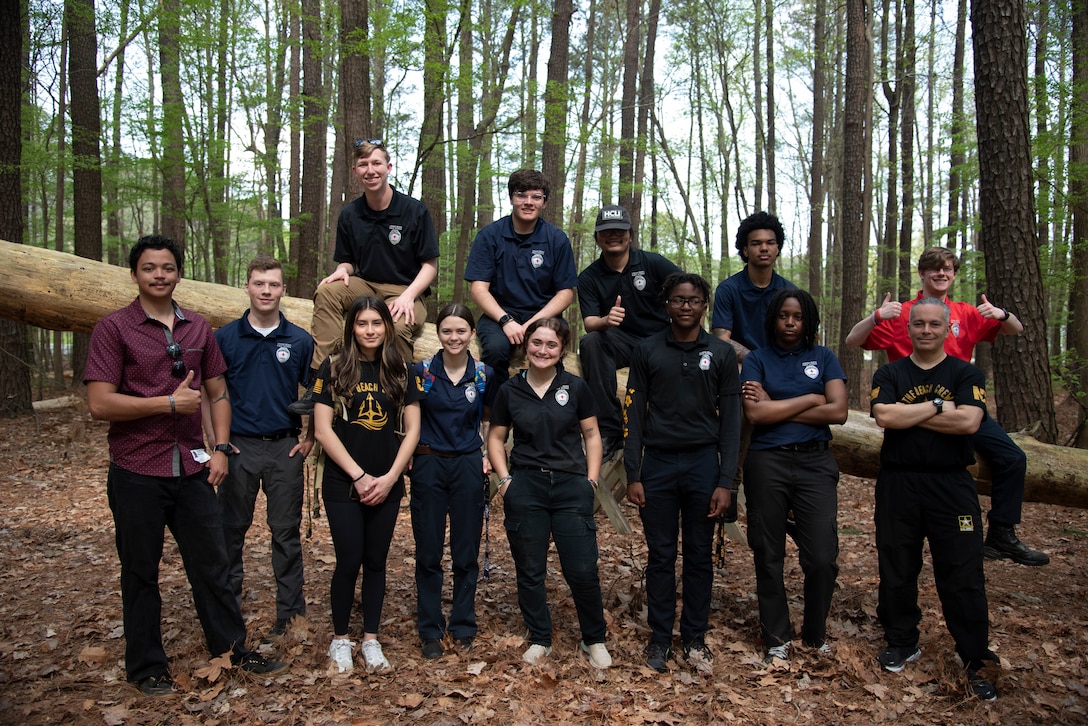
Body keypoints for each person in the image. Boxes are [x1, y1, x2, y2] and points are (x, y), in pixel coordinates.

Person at [85, 235, 287, 697]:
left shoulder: (198, 328)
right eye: (150, 268)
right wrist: (166, 404)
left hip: (193, 469)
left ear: (179, 273)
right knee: (141, 571)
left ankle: (232, 649)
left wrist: (219, 449)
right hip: (137, 468)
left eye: (168, 268)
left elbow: (217, 393)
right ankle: (146, 666)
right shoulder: (113, 329)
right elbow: (99, 403)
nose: (160, 275)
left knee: (212, 564)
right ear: (134, 274)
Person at [845, 246, 1047, 566]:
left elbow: (1016, 330)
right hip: (910, 405)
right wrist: (876, 316)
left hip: (961, 404)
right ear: (922, 274)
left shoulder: (966, 313)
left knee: (1012, 458)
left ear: (953, 275)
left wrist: (1003, 315)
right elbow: (852, 341)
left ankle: (1001, 534)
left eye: (948, 269)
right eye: (935, 269)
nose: (942, 274)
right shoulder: (903, 314)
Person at [870, 297, 1000, 702]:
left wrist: (913, 412)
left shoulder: (967, 372)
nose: (926, 330)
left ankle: (975, 656)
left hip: (952, 486)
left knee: (962, 572)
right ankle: (901, 639)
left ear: (948, 329)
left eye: (934, 325)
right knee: (897, 565)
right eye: (919, 324)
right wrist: (942, 405)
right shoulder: (890, 371)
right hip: (899, 483)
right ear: (908, 330)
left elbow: (969, 422)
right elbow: (885, 417)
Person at [624, 272, 741, 674]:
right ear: (666, 305)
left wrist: (726, 481)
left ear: (704, 304)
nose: (686, 306)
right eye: (678, 300)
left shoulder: (721, 354)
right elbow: (634, 412)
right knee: (660, 556)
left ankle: (694, 638)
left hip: (703, 465)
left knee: (698, 555)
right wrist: (632, 472)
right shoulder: (648, 349)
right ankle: (660, 639)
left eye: (693, 300)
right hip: (656, 465)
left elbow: (731, 423)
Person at [487, 317, 611, 669]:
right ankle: (540, 638)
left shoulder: (575, 388)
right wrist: (506, 480)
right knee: (530, 568)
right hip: (526, 485)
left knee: (583, 568)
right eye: (537, 343)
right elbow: (496, 438)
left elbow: (592, 435)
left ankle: (594, 638)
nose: (543, 350)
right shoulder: (510, 390)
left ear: (562, 350)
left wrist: (591, 480)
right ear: (526, 345)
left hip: (572, 486)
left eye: (551, 345)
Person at [312, 296, 424, 674]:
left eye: (377, 323)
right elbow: (322, 430)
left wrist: (390, 477)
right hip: (344, 482)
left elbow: (413, 430)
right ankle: (341, 639)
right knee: (349, 559)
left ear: (387, 328)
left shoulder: (401, 370)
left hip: (387, 481)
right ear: (351, 328)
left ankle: (371, 640)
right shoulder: (334, 367)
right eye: (362, 323)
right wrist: (358, 477)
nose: (370, 330)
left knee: (376, 562)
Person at [291, 139, 439, 414]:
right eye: (363, 165)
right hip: (365, 285)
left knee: (397, 323)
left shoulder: (413, 210)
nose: (370, 170)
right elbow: (347, 262)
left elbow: (429, 265)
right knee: (327, 291)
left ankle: (397, 394)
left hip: (405, 289)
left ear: (388, 167)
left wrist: (408, 296)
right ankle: (322, 380)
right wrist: (340, 271)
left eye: (376, 163)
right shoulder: (350, 214)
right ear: (355, 170)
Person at [740, 289, 847, 663]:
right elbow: (755, 416)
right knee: (768, 552)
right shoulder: (757, 360)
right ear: (773, 319)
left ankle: (815, 634)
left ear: (808, 321)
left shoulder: (824, 357)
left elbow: (839, 412)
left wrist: (777, 405)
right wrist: (810, 400)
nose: (790, 322)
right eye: (784, 315)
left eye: (798, 316)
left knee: (821, 557)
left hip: (815, 464)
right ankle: (776, 638)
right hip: (767, 462)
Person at [214, 256, 314, 639]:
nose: (266, 291)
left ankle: (290, 618)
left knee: (285, 534)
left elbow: (318, 394)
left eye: (273, 284)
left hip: (284, 448)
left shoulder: (299, 340)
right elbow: (213, 393)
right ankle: (226, 613)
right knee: (230, 533)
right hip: (238, 447)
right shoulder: (224, 338)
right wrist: (218, 443)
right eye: (259, 284)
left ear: (283, 290)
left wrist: (309, 438)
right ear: (247, 287)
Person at [409, 303, 496, 659]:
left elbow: (490, 419)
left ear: (472, 333)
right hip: (429, 464)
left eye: (461, 331)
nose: (454, 337)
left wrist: (489, 455)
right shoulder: (422, 372)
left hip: (468, 467)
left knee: (465, 551)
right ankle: (430, 628)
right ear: (438, 333)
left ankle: (462, 624)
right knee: (428, 551)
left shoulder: (484, 374)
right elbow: (411, 419)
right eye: (447, 330)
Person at [577, 204, 681, 460]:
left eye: (619, 230)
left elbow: (687, 290)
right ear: (598, 238)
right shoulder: (589, 277)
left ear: (630, 235)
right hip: (621, 341)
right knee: (590, 342)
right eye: (606, 231)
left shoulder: (653, 263)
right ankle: (611, 430)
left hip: (660, 340)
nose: (613, 236)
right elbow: (590, 322)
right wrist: (606, 320)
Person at [464, 169, 578, 386]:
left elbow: (565, 294)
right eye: (521, 195)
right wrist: (506, 320)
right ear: (511, 199)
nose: (528, 202)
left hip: (544, 314)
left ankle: (550, 410)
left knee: (551, 350)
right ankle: (493, 416)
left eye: (536, 197)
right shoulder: (490, 236)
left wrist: (533, 324)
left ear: (544, 202)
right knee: (496, 351)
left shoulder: (556, 239)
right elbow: (478, 289)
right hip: (499, 315)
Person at [710, 211, 798, 362]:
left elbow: (804, 339)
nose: (764, 248)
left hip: (783, 363)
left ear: (777, 248)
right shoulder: (728, 289)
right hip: (741, 365)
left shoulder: (790, 292)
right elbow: (721, 339)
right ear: (745, 250)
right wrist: (758, 362)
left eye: (770, 243)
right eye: (756, 243)